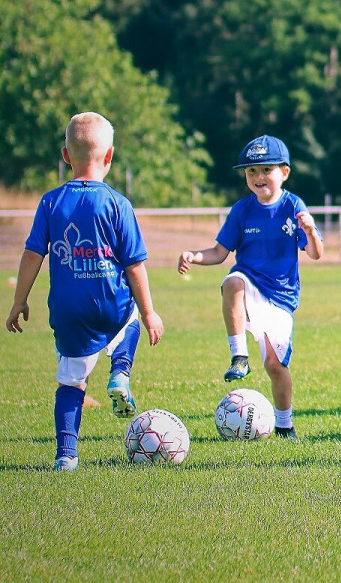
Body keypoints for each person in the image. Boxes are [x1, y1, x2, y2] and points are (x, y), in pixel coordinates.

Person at [6, 113, 165, 470]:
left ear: (66, 156)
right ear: (109, 156)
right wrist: (151, 310)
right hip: (110, 302)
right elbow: (134, 264)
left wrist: (19, 301)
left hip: (68, 311)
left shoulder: (49, 202)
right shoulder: (117, 203)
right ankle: (120, 373)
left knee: (71, 383)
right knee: (133, 317)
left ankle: (66, 456)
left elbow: (33, 253)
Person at [177, 135, 323, 439]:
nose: (258, 177)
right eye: (251, 172)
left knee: (274, 364)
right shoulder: (242, 210)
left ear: (284, 172)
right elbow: (219, 253)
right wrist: (194, 255)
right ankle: (239, 356)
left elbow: (315, 253)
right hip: (249, 282)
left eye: (265, 170)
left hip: (281, 297)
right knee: (232, 282)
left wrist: (310, 230)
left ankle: (285, 424)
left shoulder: (293, 205)